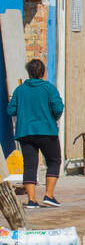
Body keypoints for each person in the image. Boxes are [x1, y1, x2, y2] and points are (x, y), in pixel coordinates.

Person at [7, 58, 64, 208]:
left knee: (30, 166)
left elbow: (10, 110)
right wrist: (52, 117)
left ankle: (31, 200)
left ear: (29, 72)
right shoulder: (49, 88)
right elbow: (58, 108)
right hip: (47, 131)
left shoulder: (20, 90)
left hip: (25, 132)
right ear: (43, 72)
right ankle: (49, 195)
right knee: (54, 161)